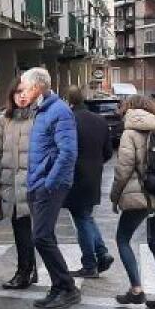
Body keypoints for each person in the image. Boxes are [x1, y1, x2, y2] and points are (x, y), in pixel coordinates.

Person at [109, 95, 155, 309]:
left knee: (122, 239)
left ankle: (136, 290)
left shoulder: (130, 132)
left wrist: (115, 196)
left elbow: (123, 169)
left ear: (129, 109)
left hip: (140, 197)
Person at [22, 67, 81, 309]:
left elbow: (68, 152)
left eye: (25, 87)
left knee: (41, 237)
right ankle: (58, 287)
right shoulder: (42, 110)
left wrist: (49, 182)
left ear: (37, 87)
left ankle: (67, 288)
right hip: (38, 183)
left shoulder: (59, 111)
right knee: (46, 236)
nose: (23, 92)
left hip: (50, 185)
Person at [0, 77, 38, 289]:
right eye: (18, 91)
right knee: (20, 230)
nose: (22, 95)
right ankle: (24, 271)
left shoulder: (40, 117)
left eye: (26, 91)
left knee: (39, 232)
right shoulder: (4, 119)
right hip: (11, 184)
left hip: (35, 184)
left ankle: (28, 271)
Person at [61, 85, 114, 278]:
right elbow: (108, 152)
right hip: (94, 176)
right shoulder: (100, 120)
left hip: (74, 176)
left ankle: (90, 263)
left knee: (81, 219)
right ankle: (102, 253)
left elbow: (63, 151)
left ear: (68, 101)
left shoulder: (68, 121)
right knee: (86, 216)